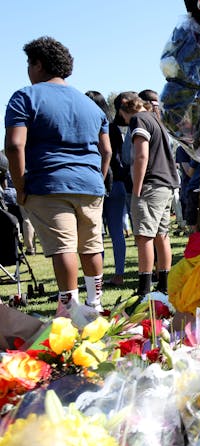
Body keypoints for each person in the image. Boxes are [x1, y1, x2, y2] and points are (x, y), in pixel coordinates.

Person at [4, 36, 111, 313]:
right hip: (90, 184)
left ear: (38, 64)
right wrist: (97, 176)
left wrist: (20, 186)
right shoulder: (91, 105)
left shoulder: (25, 96)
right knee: (91, 246)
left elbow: (15, 145)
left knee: (63, 247)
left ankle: (70, 307)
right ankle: (95, 304)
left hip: (49, 183)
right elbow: (107, 150)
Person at [114, 91, 180, 296]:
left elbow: (141, 155)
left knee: (144, 236)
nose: (123, 121)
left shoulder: (138, 120)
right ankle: (164, 285)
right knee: (162, 234)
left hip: (151, 184)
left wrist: (137, 188)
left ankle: (143, 289)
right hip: (167, 183)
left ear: (125, 107)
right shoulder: (155, 119)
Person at [85, 90, 129, 287]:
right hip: (118, 183)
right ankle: (119, 274)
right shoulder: (113, 128)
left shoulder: (91, 127)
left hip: (98, 182)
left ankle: (99, 277)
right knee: (117, 231)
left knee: (97, 232)